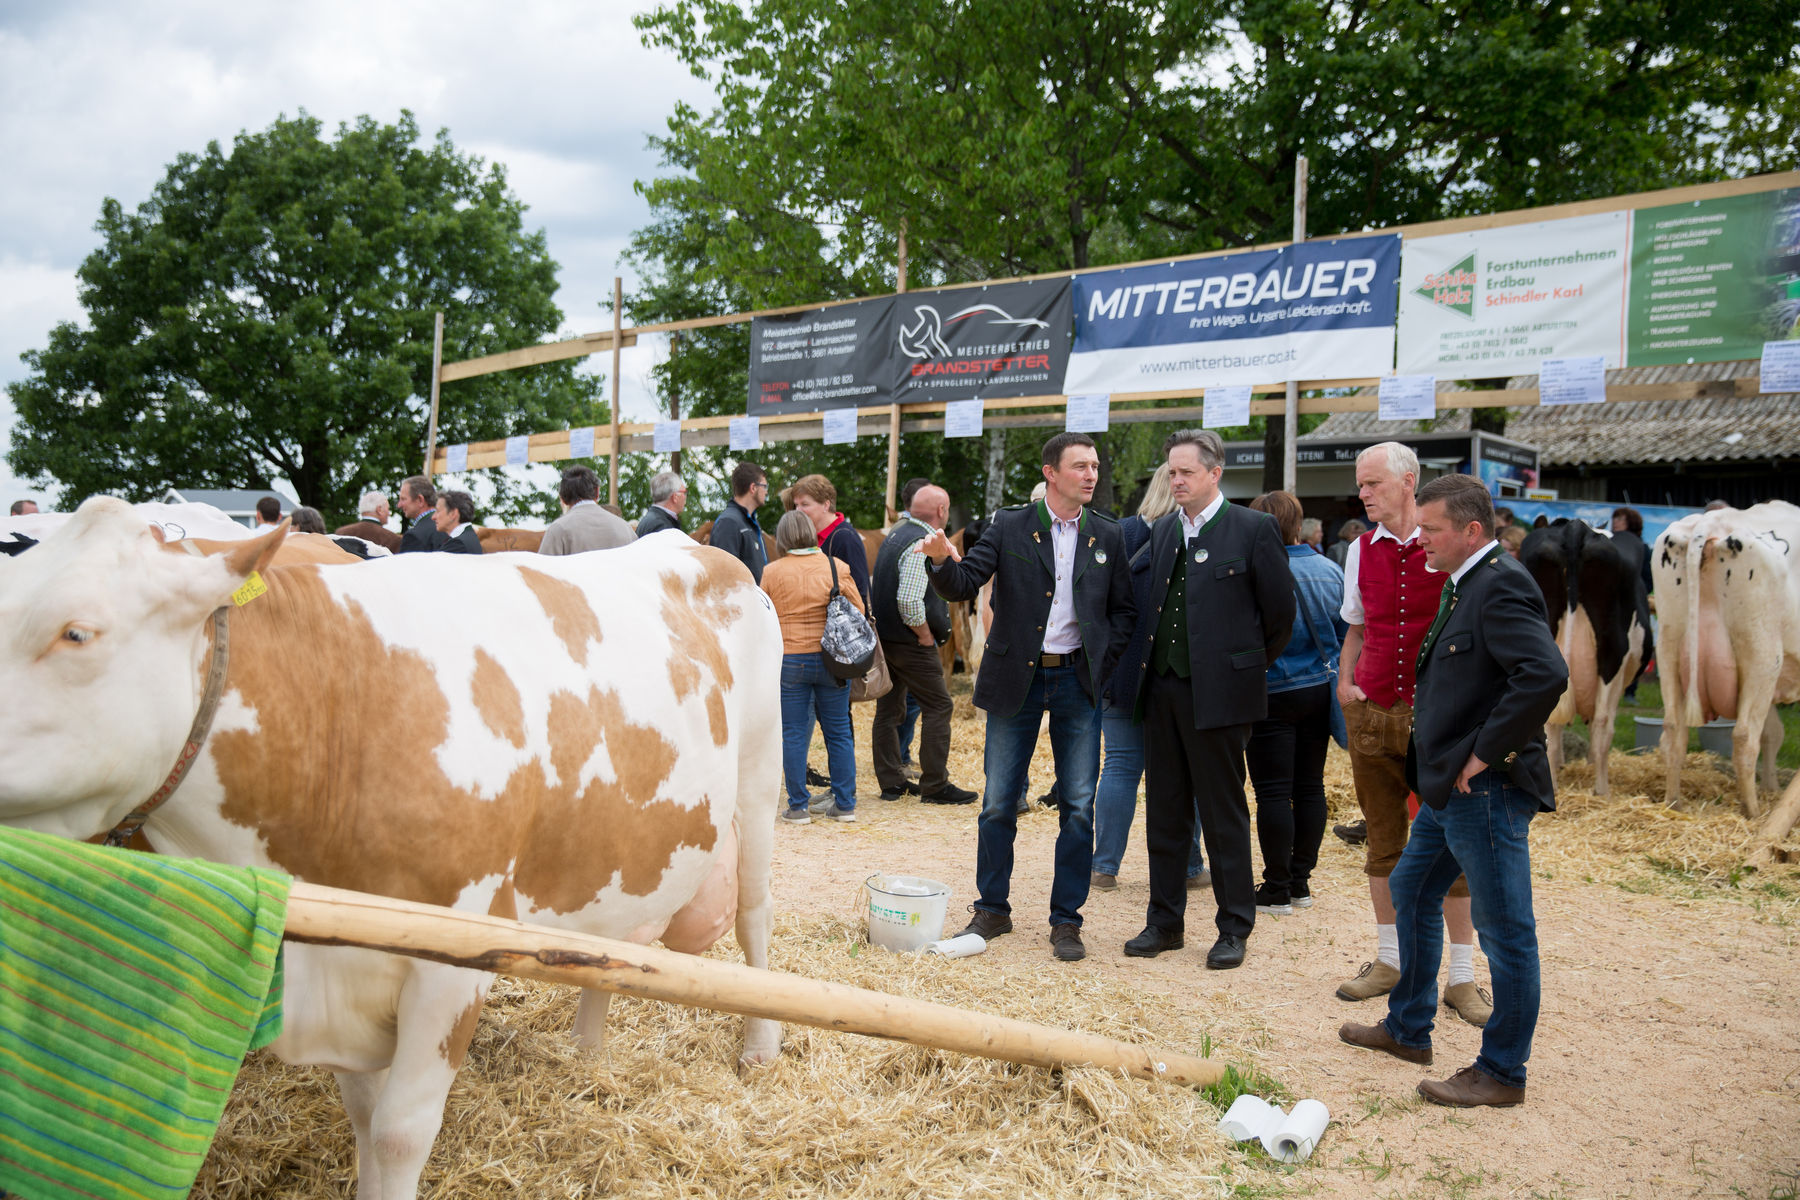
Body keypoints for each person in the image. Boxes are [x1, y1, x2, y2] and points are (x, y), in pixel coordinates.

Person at [1339, 474, 1566, 1108]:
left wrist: (1483, 753)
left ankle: (1502, 1071)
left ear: (1472, 531)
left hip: (1484, 789)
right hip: (1449, 786)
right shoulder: (1469, 580)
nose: (1422, 539)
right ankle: (1409, 1029)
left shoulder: (1499, 584)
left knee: (1506, 932)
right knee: (1411, 888)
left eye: (1433, 529)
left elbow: (1545, 673)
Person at [922, 432, 1134, 963]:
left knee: (1079, 805)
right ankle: (992, 908)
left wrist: (1101, 667)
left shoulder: (1108, 533)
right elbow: (964, 583)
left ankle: (1066, 920)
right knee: (998, 802)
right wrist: (942, 560)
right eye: (1080, 466)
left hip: (1078, 683)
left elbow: (1126, 611)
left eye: (1094, 466)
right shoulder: (1011, 524)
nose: (1091, 474)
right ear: (1050, 472)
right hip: (1017, 678)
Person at [1125, 429, 1293, 970]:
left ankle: (1233, 926)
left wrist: (1239, 669)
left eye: (1186, 473)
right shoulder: (1164, 532)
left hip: (1220, 698)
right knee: (1165, 812)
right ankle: (1165, 922)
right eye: (1171, 473)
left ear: (1215, 474)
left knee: (1223, 815)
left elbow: (1279, 618)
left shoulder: (1253, 528)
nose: (1176, 482)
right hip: (1164, 692)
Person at [1336, 443, 1488, 1026]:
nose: (1364, 494)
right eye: (1360, 485)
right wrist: (1346, 683)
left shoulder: (1444, 546)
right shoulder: (1359, 549)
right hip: (1372, 710)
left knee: (1450, 846)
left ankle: (1463, 977)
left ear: (1407, 481)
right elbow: (1355, 625)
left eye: (1372, 484)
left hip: (1437, 718)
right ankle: (1388, 959)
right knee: (1382, 839)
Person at [1091, 463, 1207, 892]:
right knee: (1183, 772)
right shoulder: (1190, 537)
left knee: (1119, 766)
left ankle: (1104, 866)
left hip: (1119, 671)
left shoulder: (1118, 533)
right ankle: (1191, 867)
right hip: (1172, 675)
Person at [1246, 491, 1345, 916]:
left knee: (1271, 792)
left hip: (1271, 690)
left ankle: (1276, 885)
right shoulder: (1329, 570)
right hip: (1319, 690)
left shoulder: (1252, 574)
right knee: (1310, 786)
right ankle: (1301, 882)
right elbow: (1346, 635)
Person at [869, 486, 976, 806]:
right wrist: (925, 635)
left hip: (887, 638)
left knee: (888, 710)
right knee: (940, 706)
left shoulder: (898, 531)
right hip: (911, 641)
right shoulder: (922, 542)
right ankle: (935, 785)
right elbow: (908, 600)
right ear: (942, 510)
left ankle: (891, 782)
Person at [762, 510, 863, 824]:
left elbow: (761, 617)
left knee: (792, 734)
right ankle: (845, 804)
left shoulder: (771, 572)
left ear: (782, 538)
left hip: (790, 660)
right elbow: (858, 610)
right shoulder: (836, 567)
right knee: (839, 733)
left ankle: (798, 807)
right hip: (831, 659)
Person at [789, 474, 871, 608]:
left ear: (826, 505)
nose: (798, 511)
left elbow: (858, 594)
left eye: (805, 504)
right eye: (796, 505)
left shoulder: (845, 538)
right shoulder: (813, 537)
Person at [541, 465, 636, 554]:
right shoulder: (625, 528)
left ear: (562, 499)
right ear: (597, 492)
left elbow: (541, 568)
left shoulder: (558, 530)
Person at [712, 462, 770, 583]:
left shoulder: (750, 522)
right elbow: (724, 577)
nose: (766, 492)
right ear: (753, 488)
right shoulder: (728, 523)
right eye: (764, 486)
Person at [336, 490, 403, 552]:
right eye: (388, 509)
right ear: (379, 510)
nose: (389, 513)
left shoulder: (341, 532)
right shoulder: (393, 539)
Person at [396, 476, 447, 553]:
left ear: (420, 500)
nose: (399, 505)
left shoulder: (414, 536)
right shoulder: (449, 526)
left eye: (403, 499)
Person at [637, 471, 688, 537]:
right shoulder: (662, 527)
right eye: (684, 492)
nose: (685, 497)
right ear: (675, 497)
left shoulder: (651, 520)